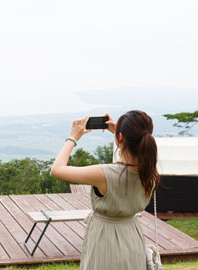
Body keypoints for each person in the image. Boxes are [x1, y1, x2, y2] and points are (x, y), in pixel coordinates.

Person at [51, 110, 160, 270]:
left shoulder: (104, 174)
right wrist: (118, 133)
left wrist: (72, 137)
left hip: (104, 239)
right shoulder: (150, 172)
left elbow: (57, 169)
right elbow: (134, 148)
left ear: (120, 138)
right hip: (133, 237)